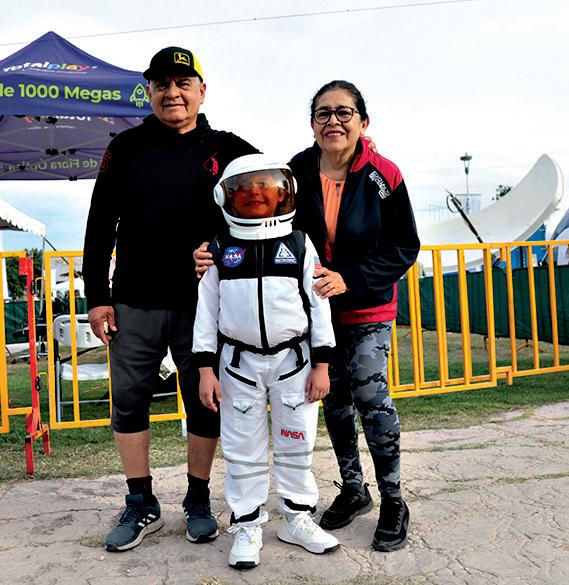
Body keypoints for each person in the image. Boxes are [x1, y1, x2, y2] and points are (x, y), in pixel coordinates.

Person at [82, 46, 258, 552]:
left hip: (203, 305)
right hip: (132, 302)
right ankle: (141, 502)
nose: (172, 93)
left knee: (204, 401)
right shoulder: (126, 147)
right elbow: (100, 223)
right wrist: (97, 297)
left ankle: (197, 499)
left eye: (183, 83)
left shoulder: (228, 149)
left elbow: (280, 185)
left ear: (202, 91)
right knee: (129, 400)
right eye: (161, 84)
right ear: (149, 92)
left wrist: (344, 151)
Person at [288, 80, 420, 551]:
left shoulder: (384, 174)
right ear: (312, 124)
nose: (333, 121)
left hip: (368, 304)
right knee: (335, 400)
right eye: (323, 113)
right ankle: (353, 488)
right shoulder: (296, 171)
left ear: (363, 122)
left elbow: (404, 247)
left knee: (370, 394)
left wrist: (352, 278)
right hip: (317, 308)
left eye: (344, 112)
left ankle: (393, 499)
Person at [193, 154, 340, 569]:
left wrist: (322, 364)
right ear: (226, 197)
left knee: (297, 442)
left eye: (265, 188)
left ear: (284, 194)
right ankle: (247, 524)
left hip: (295, 363)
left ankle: (297, 518)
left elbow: (319, 306)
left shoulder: (299, 244)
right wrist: (205, 369)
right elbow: (206, 311)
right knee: (243, 449)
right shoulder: (219, 249)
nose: (255, 195)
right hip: (238, 366)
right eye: (245, 189)